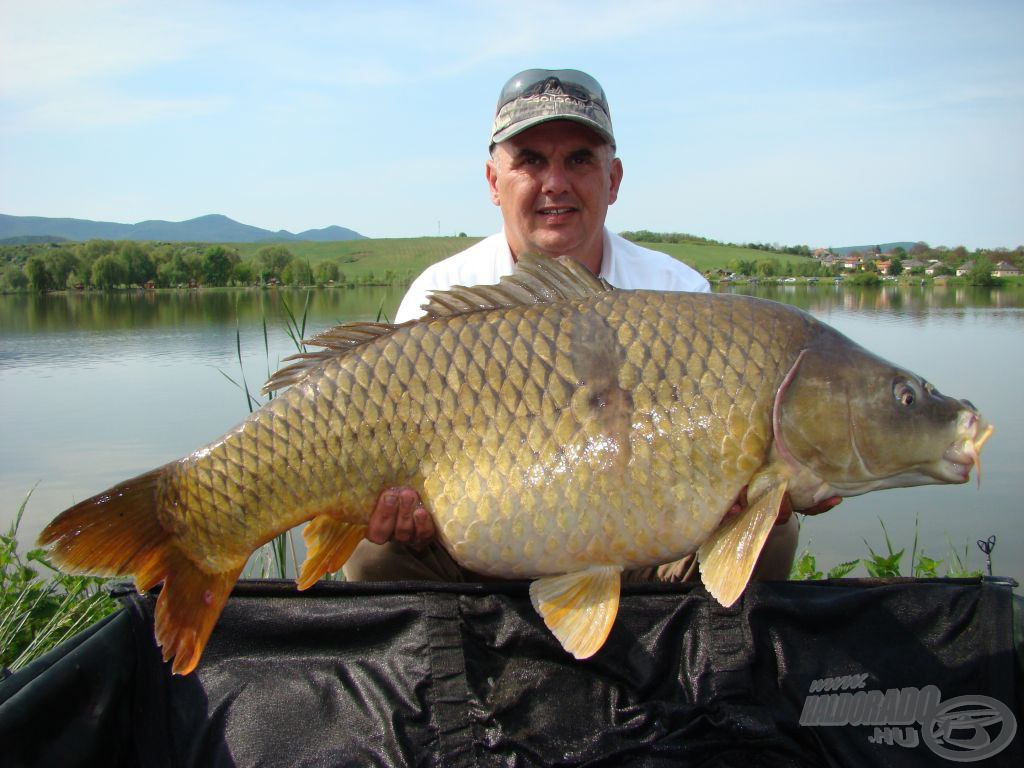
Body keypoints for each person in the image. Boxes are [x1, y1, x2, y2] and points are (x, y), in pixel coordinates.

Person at [343, 68, 839, 583]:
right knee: (370, 550)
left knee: (771, 532)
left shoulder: (678, 292)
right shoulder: (439, 292)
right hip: (480, 549)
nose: (555, 183)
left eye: (579, 159)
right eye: (531, 160)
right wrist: (404, 518)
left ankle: (693, 661)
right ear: (494, 182)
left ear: (614, 179)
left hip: (642, 549)